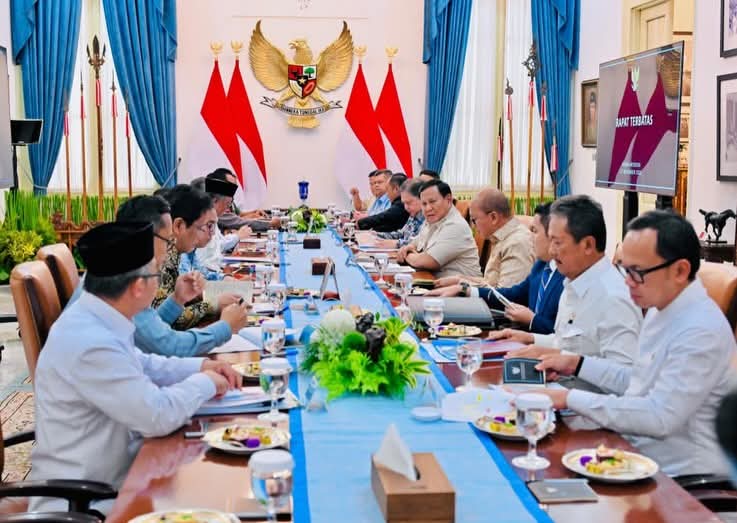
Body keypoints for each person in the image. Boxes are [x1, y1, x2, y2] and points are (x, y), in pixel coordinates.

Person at [29, 221, 240, 513]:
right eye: (157, 274)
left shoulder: (98, 313)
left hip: (121, 474)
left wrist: (201, 366)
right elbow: (157, 415)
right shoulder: (90, 342)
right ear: (139, 286)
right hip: (86, 501)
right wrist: (205, 383)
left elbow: (143, 363)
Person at [531, 211, 737, 476]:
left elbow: (659, 417)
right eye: (624, 269)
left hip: (679, 479)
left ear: (680, 270)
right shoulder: (661, 307)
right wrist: (577, 363)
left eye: (637, 272)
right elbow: (639, 381)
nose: (627, 282)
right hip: (631, 452)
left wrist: (569, 398)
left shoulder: (700, 330)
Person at [490, 195, 641, 392]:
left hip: (584, 405)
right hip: (558, 390)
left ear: (588, 245)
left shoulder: (614, 297)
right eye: (550, 240)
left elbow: (627, 380)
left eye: (557, 242)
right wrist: (531, 339)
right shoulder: (573, 280)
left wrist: (573, 364)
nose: (551, 251)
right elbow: (573, 344)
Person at [115, 195, 249, 356]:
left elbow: (152, 330)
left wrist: (177, 300)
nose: (170, 247)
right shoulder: (128, 281)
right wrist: (225, 327)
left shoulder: (129, 267)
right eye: (167, 240)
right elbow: (168, 344)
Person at [429, 202, 563, 334]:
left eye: (534, 231)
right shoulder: (542, 265)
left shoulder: (564, 273)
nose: (530, 236)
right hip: (523, 336)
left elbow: (564, 336)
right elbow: (513, 294)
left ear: (552, 235)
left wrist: (532, 320)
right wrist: (464, 289)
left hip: (523, 335)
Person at [153, 185, 240, 329]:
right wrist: (213, 304)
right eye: (208, 226)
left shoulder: (178, 252)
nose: (212, 233)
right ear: (179, 226)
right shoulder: (163, 256)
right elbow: (168, 320)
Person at [434, 188, 534, 290]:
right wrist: (460, 279)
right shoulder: (501, 237)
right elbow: (491, 282)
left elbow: (505, 294)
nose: (473, 227)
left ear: (493, 217)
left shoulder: (516, 243)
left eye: (474, 220)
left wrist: (462, 287)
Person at [397, 179, 481, 279]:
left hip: (461, 287)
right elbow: (414, 244)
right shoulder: (432, 220)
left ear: (448, 200)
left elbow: (426, 262)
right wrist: (410, 250)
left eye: (432, 202)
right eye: (424, 204)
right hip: (435, 281)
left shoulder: (455, 226)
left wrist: (407, 255)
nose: (428, 208)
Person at [188, 175, 251, 277]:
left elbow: (217, 245)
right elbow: (201, 270)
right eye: (226, 204)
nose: (227, 209)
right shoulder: (198, 223)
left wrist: (224, 274)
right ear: (213, 201)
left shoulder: (210, 219)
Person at [209, 168, 279, 232]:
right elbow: (237, 221)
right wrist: (270, 224)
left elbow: (238, 215)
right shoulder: (212, 206)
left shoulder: (229, 200)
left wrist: (254, 212)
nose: (233, 190)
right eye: (230, 186)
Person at [374, 179, 425, 248]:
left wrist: (397, 244)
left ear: (422, 198)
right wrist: (377, 235)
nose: (406, 207)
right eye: (404, 203)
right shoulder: (413, 215)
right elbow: (401, 234)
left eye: (409, 203)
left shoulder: (427, 218)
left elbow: (420, 244)